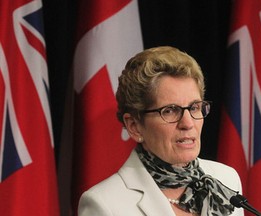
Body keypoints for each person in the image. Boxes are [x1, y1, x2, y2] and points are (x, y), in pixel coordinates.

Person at [78, 46, 244, 216]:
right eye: (170, 110)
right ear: (134, 126)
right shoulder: (105, 204)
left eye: (194, 107)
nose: (188, 123)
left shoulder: (226, 180)